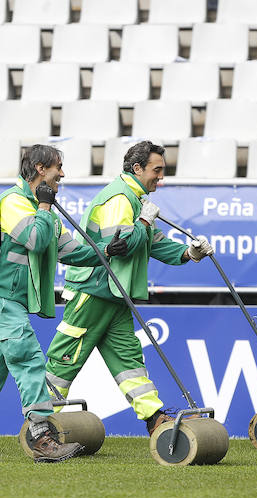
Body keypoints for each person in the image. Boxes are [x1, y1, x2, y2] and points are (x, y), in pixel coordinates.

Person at [0, 145, 126, 463]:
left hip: (6, 302)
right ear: (41, 169)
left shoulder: (42, 209)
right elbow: (36, 241)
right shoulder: (14, 202)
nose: (63, 174)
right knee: (29, 360)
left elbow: (70, 250)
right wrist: (43, 205)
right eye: (59, 167)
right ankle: (42, 437)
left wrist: (106, 251)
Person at [44, 141, 213, 437]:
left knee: (128, 360)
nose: (160, 178)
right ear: (137, 168)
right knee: (66, 357)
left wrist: (189, 253)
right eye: (156, 171)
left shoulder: (135, 199)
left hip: (114, 294)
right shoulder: (120, 199)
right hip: (94, 289)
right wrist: (144, 220)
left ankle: (154, 417)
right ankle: (41, 418)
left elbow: (154, 243)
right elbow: (118, 248)